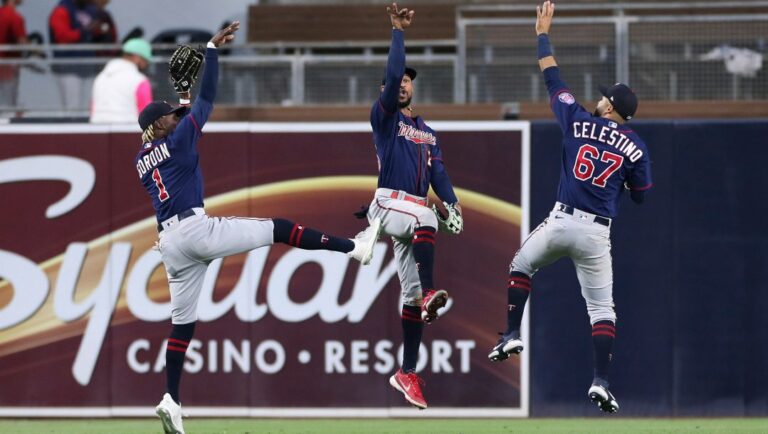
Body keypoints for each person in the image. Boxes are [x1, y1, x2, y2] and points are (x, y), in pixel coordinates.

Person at [142, 22, 381, 434]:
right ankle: (354, 249)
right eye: (169, 116)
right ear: (160, 125)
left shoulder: (142, 156)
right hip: (195, 231)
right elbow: (208, 101)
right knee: (278, 227)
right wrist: (212, 52)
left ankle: (172, 398)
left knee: (182, 325)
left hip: (169, 243)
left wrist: (181, 99)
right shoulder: (177, 140)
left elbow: (180, 121)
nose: (175, 117)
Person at [487, 1, 653, 414]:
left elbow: (552, 78)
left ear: (611, 107)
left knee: (521, 266)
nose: (599, 100)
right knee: (602, 309)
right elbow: (641, 194)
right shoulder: (636, 146)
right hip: (597, 232)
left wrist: (542, 35)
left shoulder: (577, 118)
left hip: (562, 220)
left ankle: (510, 333)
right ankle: (600, 380)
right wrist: (625, 182)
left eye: (604, 98)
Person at [364, 3, 463, 410]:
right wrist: (397, 32)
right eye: (397, 80)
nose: (402, 83)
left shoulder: (427, 132)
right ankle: (429, 295)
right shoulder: (384, 117)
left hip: (411, 212)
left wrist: (454, 203)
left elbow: (437, 174)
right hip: (388, 205)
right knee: (424, 215)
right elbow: (390, 78)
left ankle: (406, 371)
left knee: (411, 292)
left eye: (408, 80)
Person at [48, 0, 104, 111]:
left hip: (88, 66)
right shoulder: (62, 9)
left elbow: (97, 32)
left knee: (91, 107)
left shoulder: (89, 9)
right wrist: (84, 32)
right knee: (73, 108)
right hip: (68, 67)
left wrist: (96, 30)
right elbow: (62, 37)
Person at [90, 38, 152, 123]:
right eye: (145, 60)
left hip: (97, 127)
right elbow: (147, 115)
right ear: (137, 57)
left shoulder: (100, 77)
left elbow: (93, 107)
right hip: (127, 129)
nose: (146, 65)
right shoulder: (139, 80)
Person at [0, 0, 27, 110]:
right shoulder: (14, 17)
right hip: (7, 65)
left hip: (6, 64)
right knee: (8, 103)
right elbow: (23, 42)